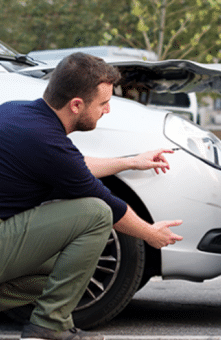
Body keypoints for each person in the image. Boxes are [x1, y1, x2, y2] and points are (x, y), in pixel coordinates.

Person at [0, 52, 183, 340]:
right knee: (96, 213)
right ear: (76, 105)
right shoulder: (46, 141)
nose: (107, 110)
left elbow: (73, 165)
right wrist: (150, 234)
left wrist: (130, 161)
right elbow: (110, 206)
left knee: (68, 268)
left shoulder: (16, 112)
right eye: (103, 103)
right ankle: (49, 326)